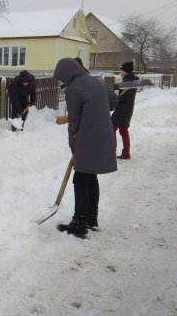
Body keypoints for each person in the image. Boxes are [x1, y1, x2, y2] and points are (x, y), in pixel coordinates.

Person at [54, 58, 117, 238]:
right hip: (103, 134)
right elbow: (113, 100)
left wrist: (73, 143)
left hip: (86, 138)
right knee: (90, 177)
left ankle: (79, 224)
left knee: (80, 179)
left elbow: (74, 121)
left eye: (61, 77)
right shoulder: (95, 81)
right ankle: (91, 219)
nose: (62, 81)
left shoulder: (73, 89)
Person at [111, 61, 139, 159]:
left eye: (121, 69)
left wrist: (117, 96)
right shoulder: (132, 80)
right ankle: (126, 152)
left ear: (125, 71)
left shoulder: (128, 81)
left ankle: (111, 151)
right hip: (127, 108)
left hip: (122, 109)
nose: (120, 71)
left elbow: (123, 96)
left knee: (111, 128)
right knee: (123, 130)